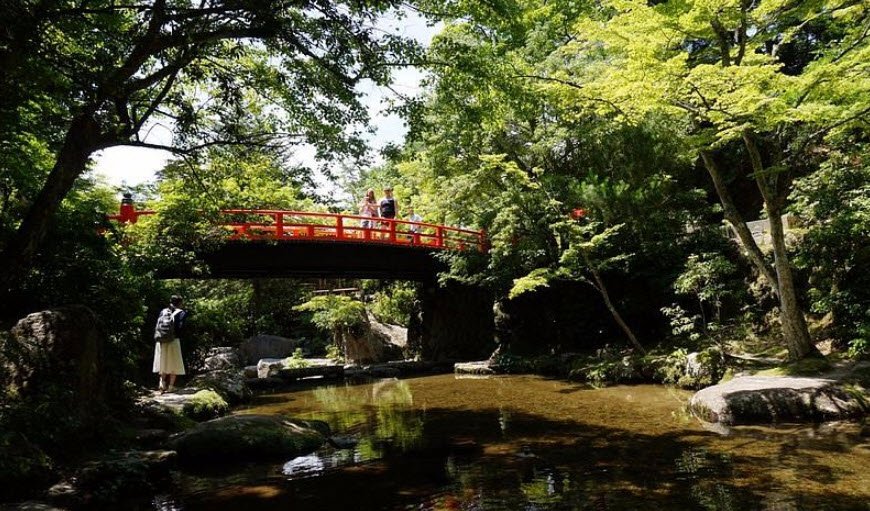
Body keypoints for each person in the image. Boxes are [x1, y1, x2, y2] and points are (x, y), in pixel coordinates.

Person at [153, 295, 187, 393]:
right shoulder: (181, 313)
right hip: (174, 340)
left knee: (163, 362)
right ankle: (171, 386)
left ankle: (161, 383)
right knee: (174, 363)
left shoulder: (163, 311)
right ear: (180, 303)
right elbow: (181, 328)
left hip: (161, 341)